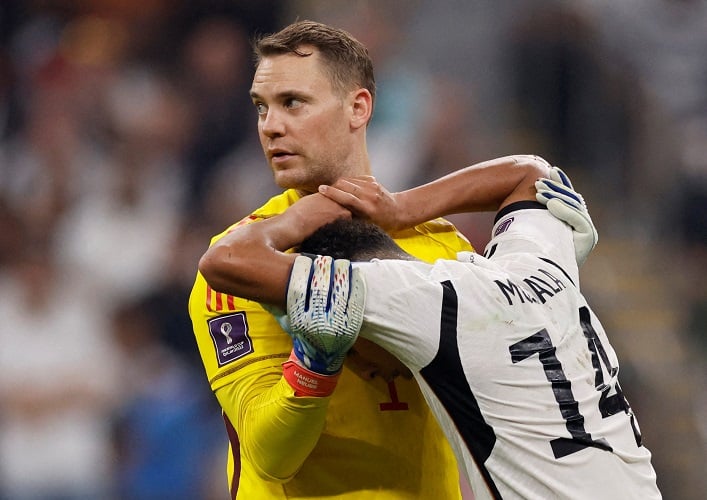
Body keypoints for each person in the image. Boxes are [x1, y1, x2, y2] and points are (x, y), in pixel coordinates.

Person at [189, 20, 588, 498]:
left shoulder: (446, 250)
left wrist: (401, 208)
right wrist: (316, 360)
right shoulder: (240, 266)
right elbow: (269, 455)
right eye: (262, 107)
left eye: (293, 103)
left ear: (358, 107)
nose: (271, 126)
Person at [198, 155, 661, 499]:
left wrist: (299, 215)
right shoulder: (536, 262)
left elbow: (227, 261)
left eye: (359, 349)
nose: (374, 374)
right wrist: (399, 208)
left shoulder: (418, 300)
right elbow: (531, 175)